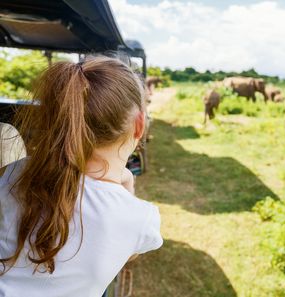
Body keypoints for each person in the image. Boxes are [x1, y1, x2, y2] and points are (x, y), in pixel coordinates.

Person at [0, 57, 163, 296]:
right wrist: (127, 186)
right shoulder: (140, 218)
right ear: (139, 126)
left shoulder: (16, 172)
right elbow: (129, 253)